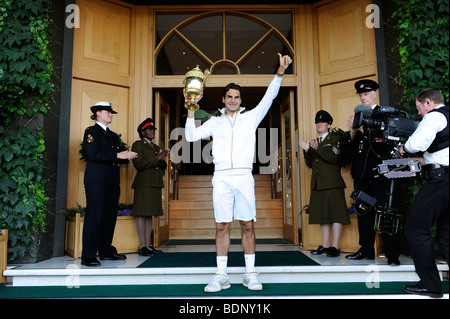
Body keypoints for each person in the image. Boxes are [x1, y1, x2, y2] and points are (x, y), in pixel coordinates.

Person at [185, 53, 292, 292]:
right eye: (229, 97)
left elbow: (270, 96)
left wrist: (281, 71)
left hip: (244, 176)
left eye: (236, 97)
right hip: (221, 176)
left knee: (247, 225)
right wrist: (191, 107)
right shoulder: (214, 121)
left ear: (241, 100)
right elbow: (191, 136)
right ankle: (221, 275)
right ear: (223, 99)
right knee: (222, 226)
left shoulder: (251, 117)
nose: (233, 100)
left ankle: (250, 273)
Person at [345, 79, 401, 265]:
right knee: (363, 212)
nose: (363, 97)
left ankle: (392, 254)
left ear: (374, 94)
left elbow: (388, 141)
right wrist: (352, 132)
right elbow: (350, 151)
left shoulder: (383, 114)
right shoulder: (357, 115)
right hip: (361, 172)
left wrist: (364, 129)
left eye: (366, 94)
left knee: (386, 211)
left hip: (380, 172)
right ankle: (366, 249)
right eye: (361, 94)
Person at [399, 88, 448, 298]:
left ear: (428, 102)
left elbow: (416, 144)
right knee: (446, 237)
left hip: (439, 181)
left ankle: (430, 284)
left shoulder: (434, 116)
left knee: (416, 229)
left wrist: (403, 149)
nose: (419, 113)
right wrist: (425, 160)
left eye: (419, 108)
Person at [82, 101, 138, 267]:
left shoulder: (113, 135)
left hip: (112, 181)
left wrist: (126, 156)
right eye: (107, 112)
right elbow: (93, 154)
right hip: (97, 181)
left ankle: (106, 250)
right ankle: (89, 255)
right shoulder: (91, 132)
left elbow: (115, 158)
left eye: (111, 112)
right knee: (94, 216)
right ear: (97, 113)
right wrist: (118, 155)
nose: (110, 114)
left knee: (109, 217)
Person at [299, 110, 350, 257]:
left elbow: (333, 157)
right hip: (318, 183)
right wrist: (307, 150)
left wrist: (316, 148)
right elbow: (310, 164)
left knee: (336, 215)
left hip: (332, 183)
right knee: (323, 216)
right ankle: (326, 245)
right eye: (317, 122)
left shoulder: (335, 139)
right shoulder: (315, 142)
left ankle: (336, 246)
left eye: (322, 122)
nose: (319, 124)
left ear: (328, 125)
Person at [131, 118, 170, 256]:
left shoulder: (155, 147)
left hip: (154, 183)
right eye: (148, 129)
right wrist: (157, 158)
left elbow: (161, 167)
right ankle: (142, 246)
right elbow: (139, 164)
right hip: (143, 183)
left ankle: (148, 245)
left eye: (153, 129)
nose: (151, 131)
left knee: (150, 216)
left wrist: (163, 159)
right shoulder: (138, 145)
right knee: (142, 215)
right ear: (142, 132)